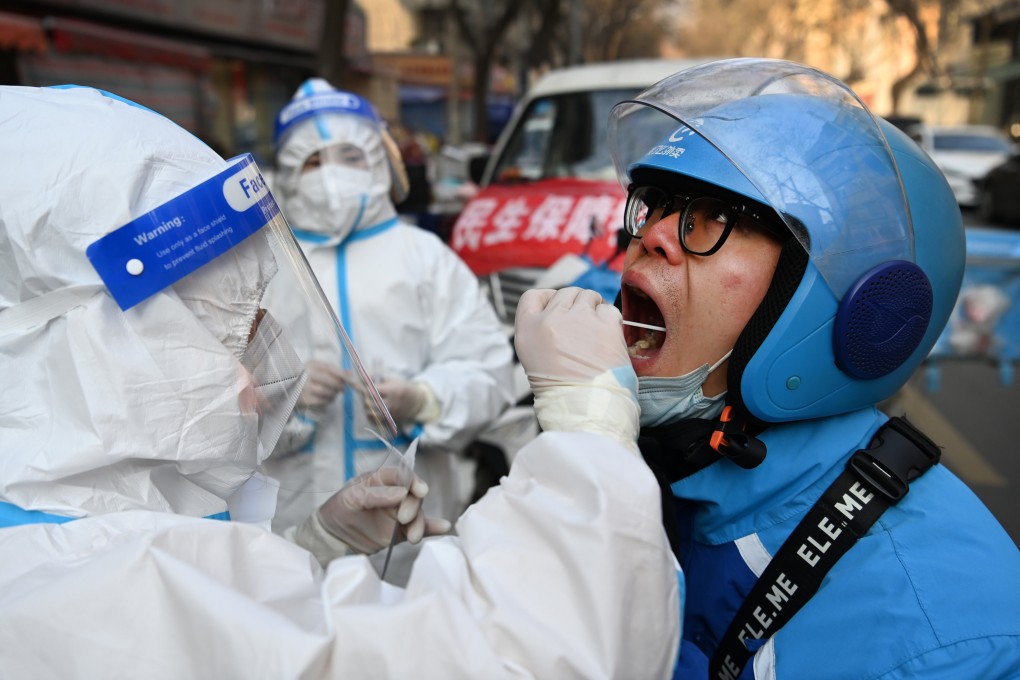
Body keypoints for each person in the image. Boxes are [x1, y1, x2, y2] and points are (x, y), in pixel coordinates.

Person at [0, 84, 679, 676]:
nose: (247, 384)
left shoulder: (69, 550)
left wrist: (308, 552)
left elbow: (234, 628)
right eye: (206, 331)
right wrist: (591, 428)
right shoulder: (100, 590)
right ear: (46, 337)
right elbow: (544, 658)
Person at [518, 58, 1020, 679]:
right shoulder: (666, 469)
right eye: (656, 203)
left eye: (715, 217)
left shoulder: (946, 643)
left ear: (845, 305)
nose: (653, 236)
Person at [264, 79, 515, 557]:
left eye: (349, 156)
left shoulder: (425, 259)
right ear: (288, 175)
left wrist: (422, 399)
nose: (332, 175)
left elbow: (489, 370)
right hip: (290, 524)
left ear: (378, 162)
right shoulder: (263, 265)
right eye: (313, 161)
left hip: (411, 518)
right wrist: (281, 394)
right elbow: (216, 392)